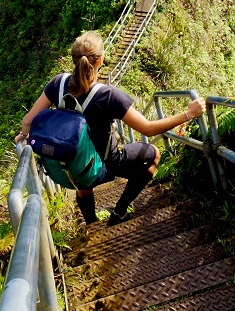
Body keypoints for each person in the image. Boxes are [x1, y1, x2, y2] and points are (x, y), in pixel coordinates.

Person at [16, 31, 207, 226]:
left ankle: (91, 223)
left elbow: (27, 122)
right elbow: (147, 129)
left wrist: (24, 136)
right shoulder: (108, 96)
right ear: (101, 60)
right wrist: (188, 114)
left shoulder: (58, 83)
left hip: (70, 166)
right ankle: (120, 210)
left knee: (82, 169)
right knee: (154, 155)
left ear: (74, 59)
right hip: (108, 164)